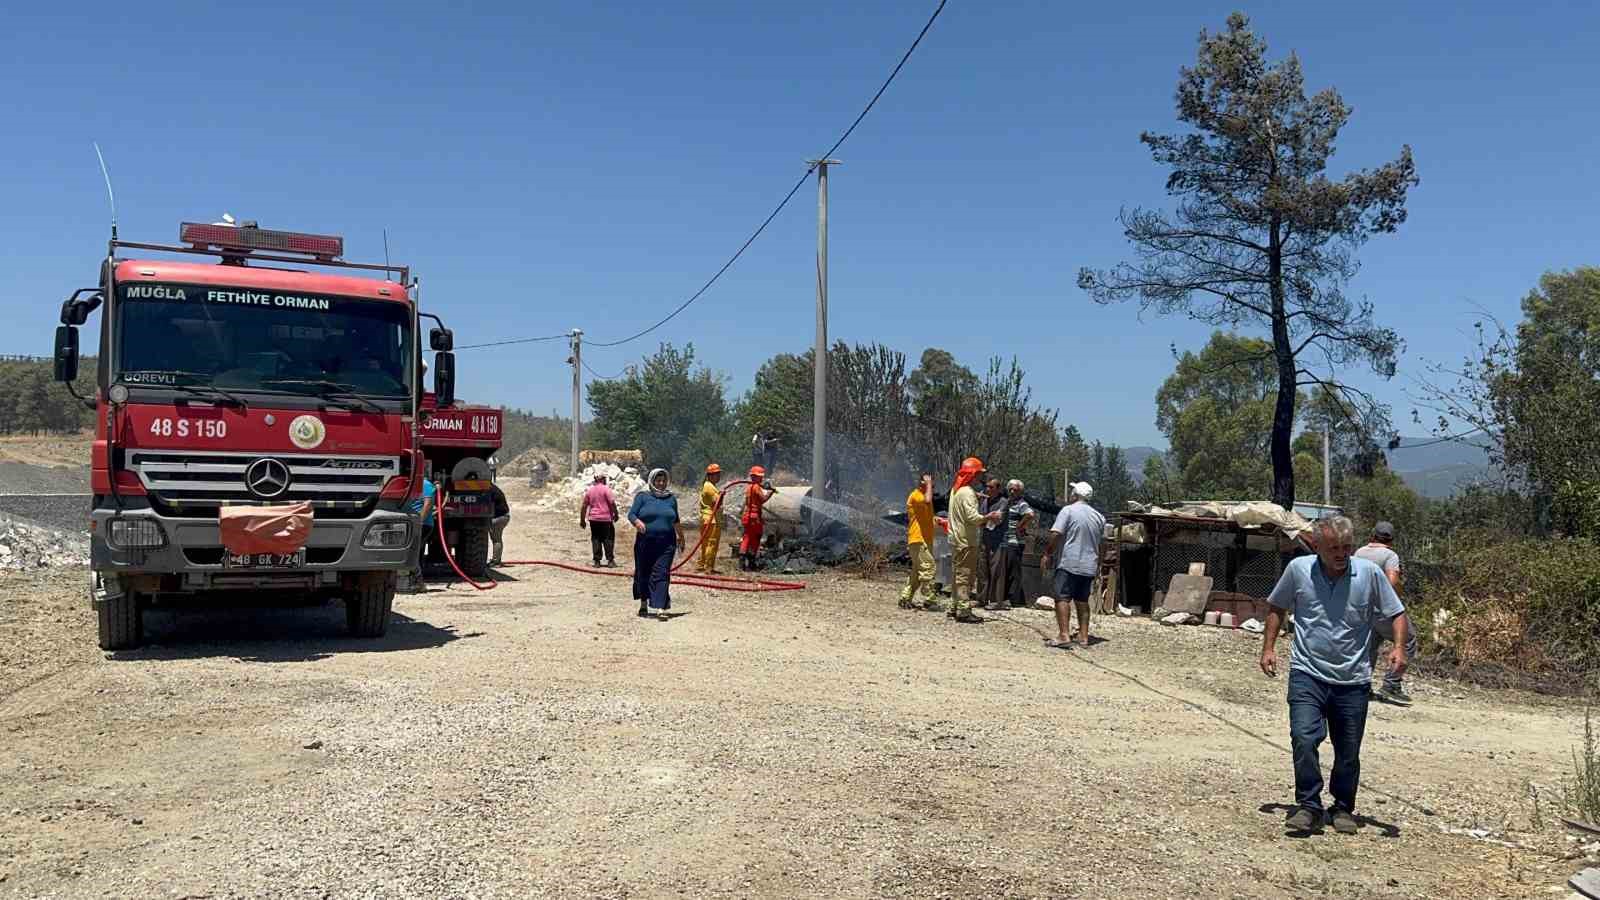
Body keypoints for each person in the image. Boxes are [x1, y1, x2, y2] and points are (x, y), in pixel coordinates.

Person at [1259, 515, 1409, 835]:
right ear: (1316, 546)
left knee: (1348, 750)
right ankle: (1309, 805)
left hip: (1353, 679)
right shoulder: (1299, 570)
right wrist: (1268, 648)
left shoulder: (1369, 574)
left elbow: (1396, 611)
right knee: (1303, 736)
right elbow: (1277, 606)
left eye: (1346, 547)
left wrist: (1399, 647)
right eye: (1333, 548)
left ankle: (1343, 807)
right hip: (1307, 672)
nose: (1341, 553)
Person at [1356, 521, 1418, 707]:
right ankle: (1391, 684)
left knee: (1369, 647)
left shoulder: (1359, 552)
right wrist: (1399, 590)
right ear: (1391, 539)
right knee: (1408, 640)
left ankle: (1362, 686)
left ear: (1372, 535)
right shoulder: (1390, 555)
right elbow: (1392, 581)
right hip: (1383, 609)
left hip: (1363, 608)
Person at [1043, 481, 1105, 647]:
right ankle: (1083, 636)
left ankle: (1064, 635)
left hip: (1069, 562)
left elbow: (1056, 534)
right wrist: (1098, 564)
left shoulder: (1068, 511)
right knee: (1082, 600)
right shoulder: (1099, 517)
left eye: (1072, 491)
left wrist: (1047, 553)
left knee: (1061, 597)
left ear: (1076, 494)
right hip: (1089, 565)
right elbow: (1102, 544)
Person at [628, 469, 686, 620]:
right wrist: (637, 522)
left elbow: (676, 520)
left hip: (667, 543)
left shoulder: (671, 499)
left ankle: (661, 607)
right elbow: (631, 514)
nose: (661, 483)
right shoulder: (642, 497)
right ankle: (643, 602)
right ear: (652, 481)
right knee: (643, 572)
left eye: (663, 480)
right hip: (645, 542)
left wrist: (681, 537)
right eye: (658, 480)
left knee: (662, 573)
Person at [945, 457, 992, 623]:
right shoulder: (968, 493)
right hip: (967, 541)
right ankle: (964, 611)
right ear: (972, 474)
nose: (980, 477)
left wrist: (975, 497)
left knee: (957, 575)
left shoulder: (956, 490)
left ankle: (954, 606)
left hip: (956, 539)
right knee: (965, 576)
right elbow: (973, 518)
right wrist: (989, 516)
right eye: (979, 473)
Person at [899, 473, 944, 612]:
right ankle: (930, 598)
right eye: (931, 484)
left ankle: (905, 597)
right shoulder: (916, 495)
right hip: (917, 539)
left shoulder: (924, 499)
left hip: (925, 539)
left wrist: (937, 521)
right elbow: (927, 499)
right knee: (928, 567)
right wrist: (928, 484)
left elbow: (925, 516)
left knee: (917, 572)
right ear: (922, 483)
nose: (933, 487)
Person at [404, 473, 438, 593]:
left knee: (413, 552)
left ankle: (418, 582)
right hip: (411, 523)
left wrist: (419, 522)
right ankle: (413, 582)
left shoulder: (426, 485)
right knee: (415, 552)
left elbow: (428, 504)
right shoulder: (410, 483)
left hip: (422, 525)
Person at [739, 466, 777, 571]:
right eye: (759, 477)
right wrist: (771, 493)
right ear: (754, 477)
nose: (761, 479)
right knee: (756, 537)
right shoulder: (756, 487)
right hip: (753, 518)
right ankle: (751, 562)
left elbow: (750, 503)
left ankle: (742, 562)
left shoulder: (749, 488)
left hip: (748, 516)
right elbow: (763, 499)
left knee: (747, 537)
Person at [579, 473, 619, 567]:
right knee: (608, 539)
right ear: (602, 479)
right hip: (606, 519)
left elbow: (584, 506)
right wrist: (616, 514)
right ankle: (610, 561)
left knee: (596, 539)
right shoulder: (606, 489)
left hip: (594, 519)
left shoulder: (590, 490)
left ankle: (597, 561)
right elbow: (612, 503)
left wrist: (582, 520)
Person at [976, 478, 1004, 599]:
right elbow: (980, 518)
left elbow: (998, 519)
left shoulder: (1004, 502)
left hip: (997, 541)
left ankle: (994, 599)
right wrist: (987, 518)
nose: (988, 489)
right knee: (982, 569)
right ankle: (981, 598)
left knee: (995, 570)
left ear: (998, 489)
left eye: (991, 487)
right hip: (984, 539)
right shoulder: (985, 502)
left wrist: (985, 519)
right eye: (987, 486)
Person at [697, 463, 725, 574]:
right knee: (711, 543)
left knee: (705, 543)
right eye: (716, 474)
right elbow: (716, 504)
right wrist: (722, 496)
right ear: (710, 475)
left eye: (719, 474)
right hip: (711, 519)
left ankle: (701, 565)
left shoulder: (707, 485)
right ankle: (708, 567)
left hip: (706, 518)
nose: (719, 476)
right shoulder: (710, 487)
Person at [488, 479, 510, 567]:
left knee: (496, 539)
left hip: (499, 517)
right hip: (503, 516)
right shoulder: (494, 488)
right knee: (497, 539)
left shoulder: (489, 489)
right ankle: (496, 560)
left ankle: (496, 561)